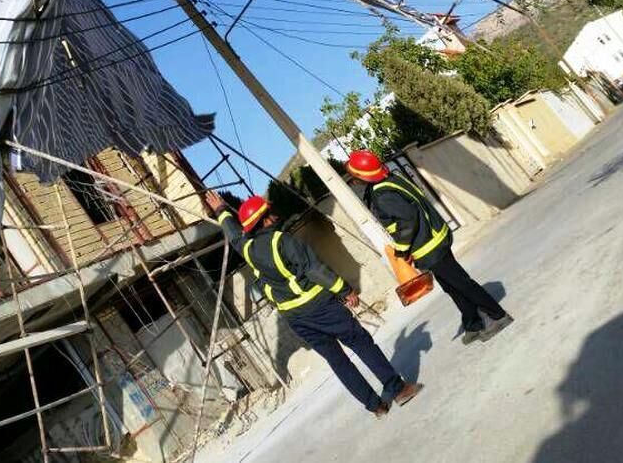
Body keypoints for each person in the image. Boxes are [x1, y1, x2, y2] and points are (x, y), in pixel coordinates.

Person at [204, 190, 421, 417]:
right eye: (270, 212)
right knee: (360, 342)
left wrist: (221, 212)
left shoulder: (248, 248)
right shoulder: (283, 241)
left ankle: (375, 406)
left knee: (338, 361)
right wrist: (344, 290)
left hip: (295, 318)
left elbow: (235, 235)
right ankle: (398, 390)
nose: (275, 214)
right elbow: (313, 268)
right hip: (320, 307)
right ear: (265, 218)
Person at [347, 150, 513, 345]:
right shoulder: (391, 179)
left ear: (360, 176)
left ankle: (498, 315)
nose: (353, 179)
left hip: (429, 246)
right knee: (452, 287)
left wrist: (402, 250)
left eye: (354, 175)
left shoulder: (382, 194)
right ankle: (472, 323)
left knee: (461, 283)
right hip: (434, 238)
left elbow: (407, 220)